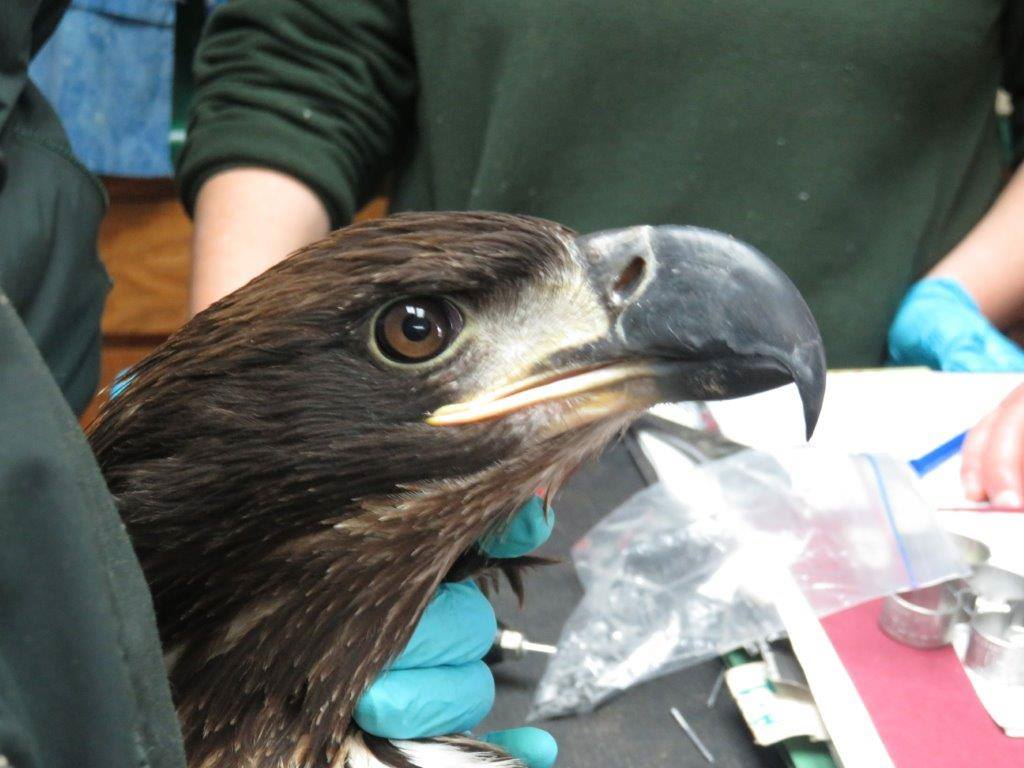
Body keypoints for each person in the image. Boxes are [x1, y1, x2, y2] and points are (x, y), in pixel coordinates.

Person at [173, 2, 1024, 763]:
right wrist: (230, 427)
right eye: (417, 334)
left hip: (894, 434)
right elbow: (299, 68)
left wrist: (962, 291)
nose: (646, 277)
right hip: (455, 469)